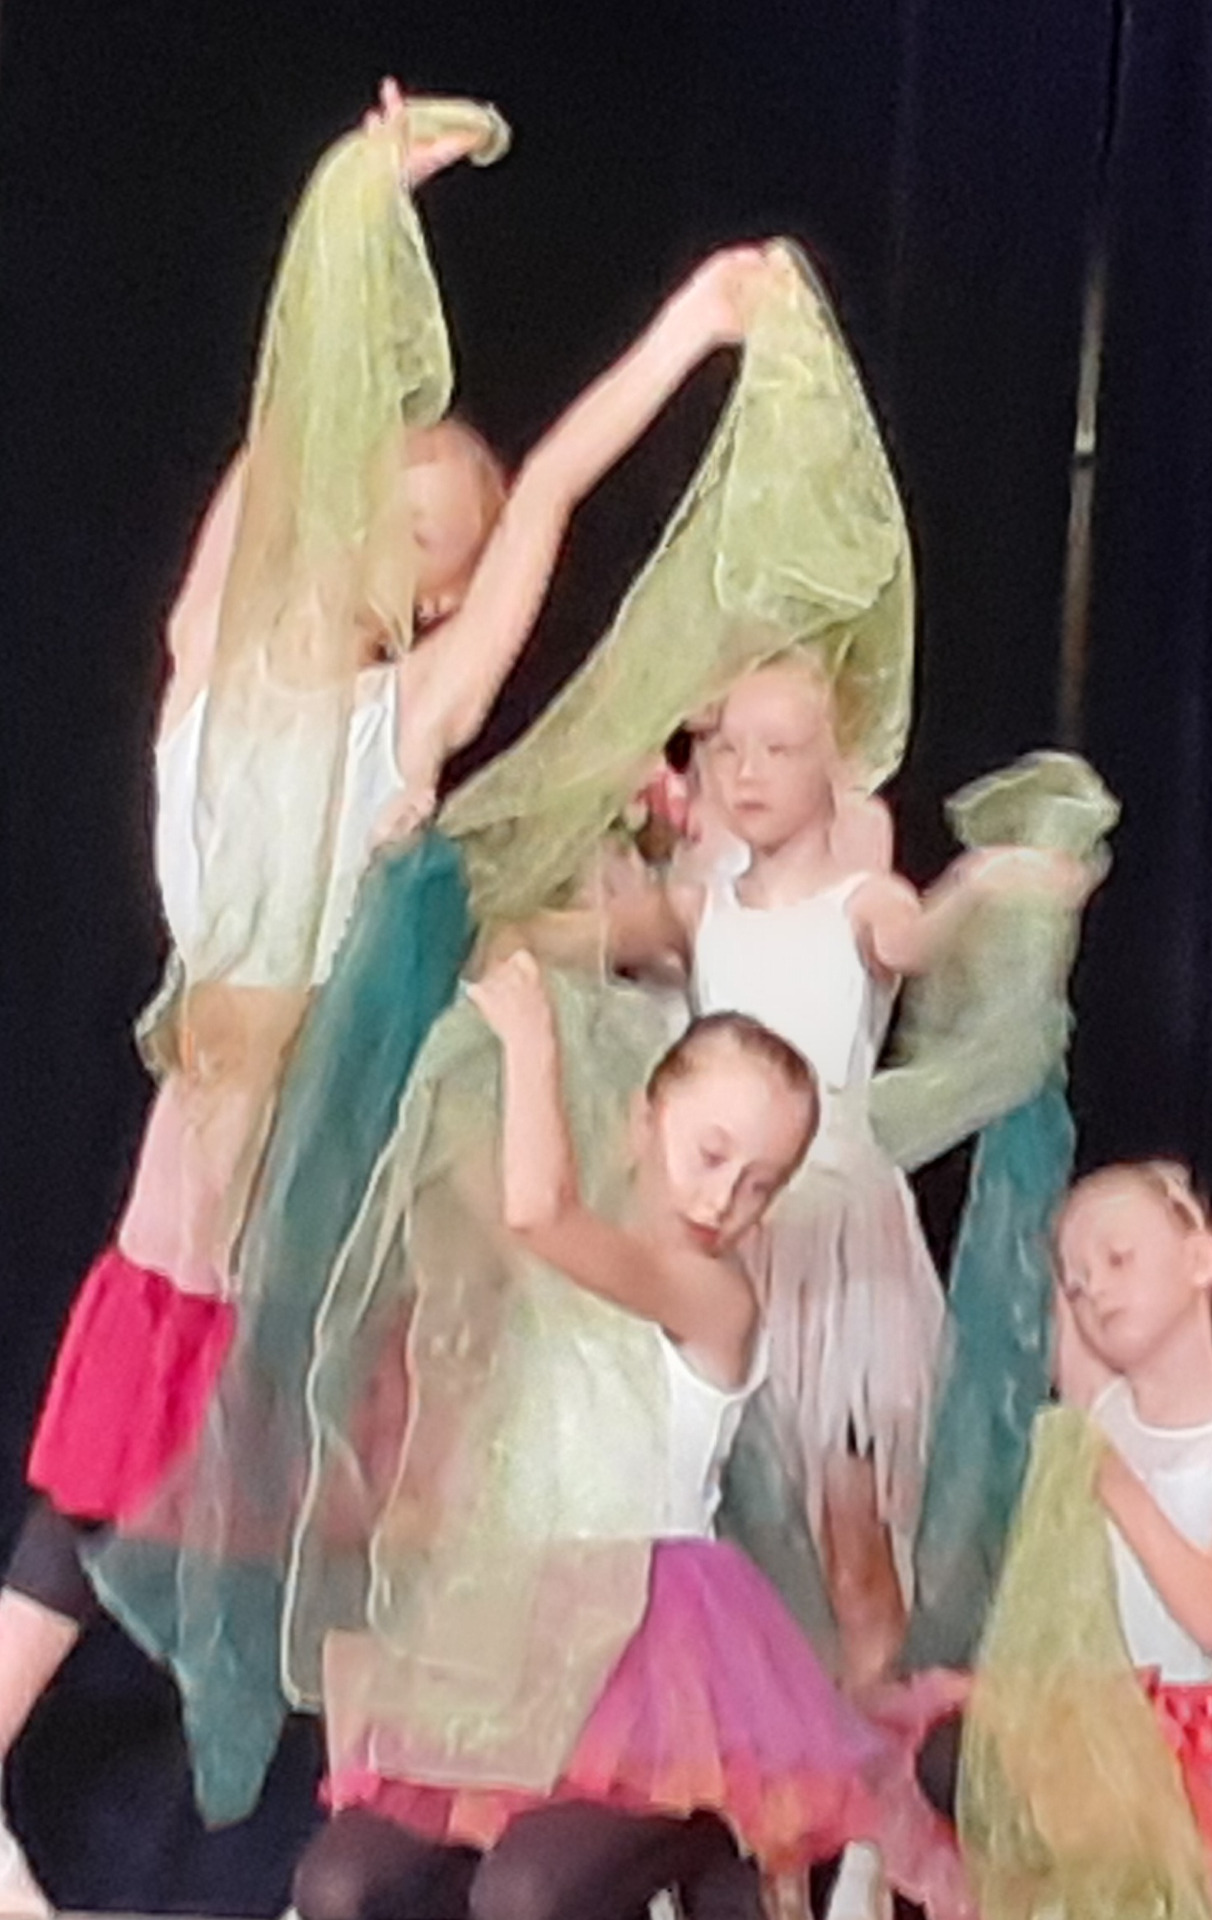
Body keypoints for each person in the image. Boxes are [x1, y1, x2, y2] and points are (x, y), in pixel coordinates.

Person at [0, 74, 779, 1912]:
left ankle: (466, 1839)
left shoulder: (405, 725)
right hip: (205, 1177)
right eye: (380, 500)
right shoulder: (209, 656)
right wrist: (358, 205)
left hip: (307, 1195)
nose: (378, 528)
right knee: (120, 1468)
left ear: (439, 599)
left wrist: (687, 328)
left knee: (350, 1502)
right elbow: (294, 422)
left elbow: (556, 491)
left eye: (424, 537)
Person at [516, 649, 1087, 1696]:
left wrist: (995, 877)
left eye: (777, 750)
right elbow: (573, 938)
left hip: (836, 1257)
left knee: (852, 1546)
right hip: (725, 1242)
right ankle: (765, 1764)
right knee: (731, 1535)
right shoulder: (700, 909)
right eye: (729, 749)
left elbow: (919, 939)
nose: (747, 773)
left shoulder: (862, 903)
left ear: (836, 765)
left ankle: (869, 1780)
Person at [290, 951, 901, 1920]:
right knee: (340, 1888)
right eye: (709, 1156)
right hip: (523, 1627)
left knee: (525, 1896)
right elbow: (490, 1204)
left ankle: (711, 1814)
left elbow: (540, 1210)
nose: (722, 1202)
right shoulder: (568, 1269)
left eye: (759, 1185)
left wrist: (531, 1040)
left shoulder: (712, 1296)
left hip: (656, 1649)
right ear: (639, 1122)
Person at [887, 1160, 1212, 1920]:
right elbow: (1059, 1296)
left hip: (1179, 1745)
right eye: (1077, 1285)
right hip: (1084, 1732)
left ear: (1199, 1260)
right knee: (951, 1757)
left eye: (1119, 1260)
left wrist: (1116, 1482)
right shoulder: (1100, 1414)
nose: (1093, 1288)